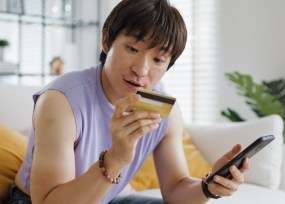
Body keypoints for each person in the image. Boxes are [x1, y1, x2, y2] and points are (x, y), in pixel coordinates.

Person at [10, 0, 250, 203]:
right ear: (106, 41)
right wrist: (115, 159)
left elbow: (176, 189)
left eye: (158, 59)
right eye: (133, 49)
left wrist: (209, 186)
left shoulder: (165, 111)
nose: (141, 70)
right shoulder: (61, 101)